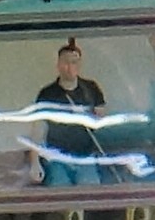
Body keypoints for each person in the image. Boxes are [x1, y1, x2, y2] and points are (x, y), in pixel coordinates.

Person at [31, 39, 110, 178]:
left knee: (90, 189)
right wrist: (34, 162)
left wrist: (87, 114)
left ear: (80, 65)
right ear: (58, 65)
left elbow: (101, 119)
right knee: (59, 189)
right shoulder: (47, 94)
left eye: (74, 62)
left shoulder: (90, 89)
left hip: (86, 156)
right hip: (57, 158)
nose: (70, 67)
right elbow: (38, 130)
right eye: (66, 62)